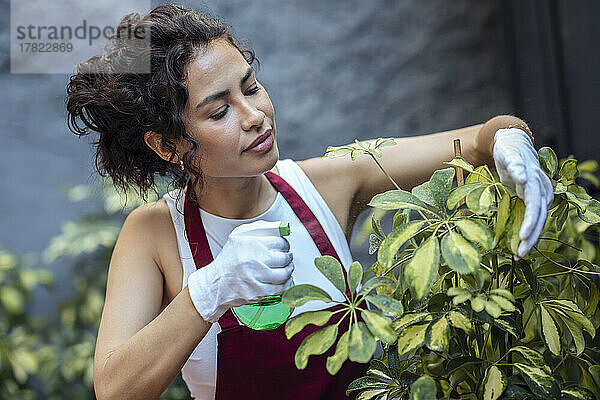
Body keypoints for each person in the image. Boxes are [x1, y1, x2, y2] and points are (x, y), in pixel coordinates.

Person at [65, 4, 553, 399]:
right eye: (219, 111)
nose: (254, 114)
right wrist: (208, 290)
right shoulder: (153, 234)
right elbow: (114, 388)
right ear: (168, 145)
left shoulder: (330, 183)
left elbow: (473, 143)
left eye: (251, 86)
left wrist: (509, 142)